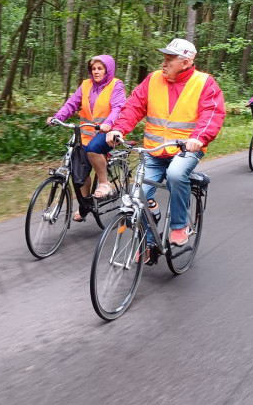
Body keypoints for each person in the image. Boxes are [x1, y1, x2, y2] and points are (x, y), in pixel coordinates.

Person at [106, 38, 225, 252]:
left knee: (176, 175)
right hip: (153, 150)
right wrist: (119, 129)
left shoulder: (204, 82)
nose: (164, 63)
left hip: (184, 150)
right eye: (164, 58)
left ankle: (180, 225)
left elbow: (212, 113)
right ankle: (150, 243)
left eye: (170, 60)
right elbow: (134, 106)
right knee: (138, 195)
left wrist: (199, 137)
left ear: (186, 63)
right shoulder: (153, 80)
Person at [47, 54, 126, 221]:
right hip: (85, 135)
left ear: (107, 70)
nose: (96, 72)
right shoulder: (86, 85)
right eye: (93, 69)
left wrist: (109, 123)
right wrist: (58, 117)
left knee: (93, 149)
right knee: (78, 174)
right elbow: (72, 104)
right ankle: (85, 206)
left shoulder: (115, 85)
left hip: (107, 135)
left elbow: (118, 108)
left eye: (100, 68)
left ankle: (104, 183)